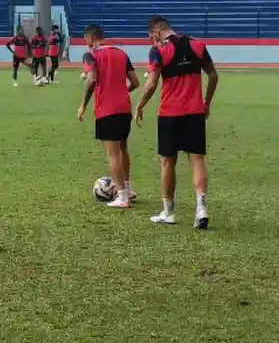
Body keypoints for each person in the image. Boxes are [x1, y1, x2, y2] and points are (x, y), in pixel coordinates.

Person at [135, 15, 218, 230]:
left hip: (170, 113)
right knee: (197, 159)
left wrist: (140, 105)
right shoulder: (197, 44)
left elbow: (152, 83)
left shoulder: (159, 50)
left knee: (167, 161)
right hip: (194, 112)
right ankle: (201, 209)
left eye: (150, 37)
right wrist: (206, 102)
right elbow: (213, 75)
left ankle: (169, 212)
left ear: (155, 32)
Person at [77, 24, 140, 208]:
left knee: (112, 153)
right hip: (124, 108)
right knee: (123, 149)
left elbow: (92, 78)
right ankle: (127, 189)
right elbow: (135, 82)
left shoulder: (90, 55)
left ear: (89, 38)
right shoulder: (121, 53)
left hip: (107, 109)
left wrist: (83, 105)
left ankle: (122, 197)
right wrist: (121, 91)